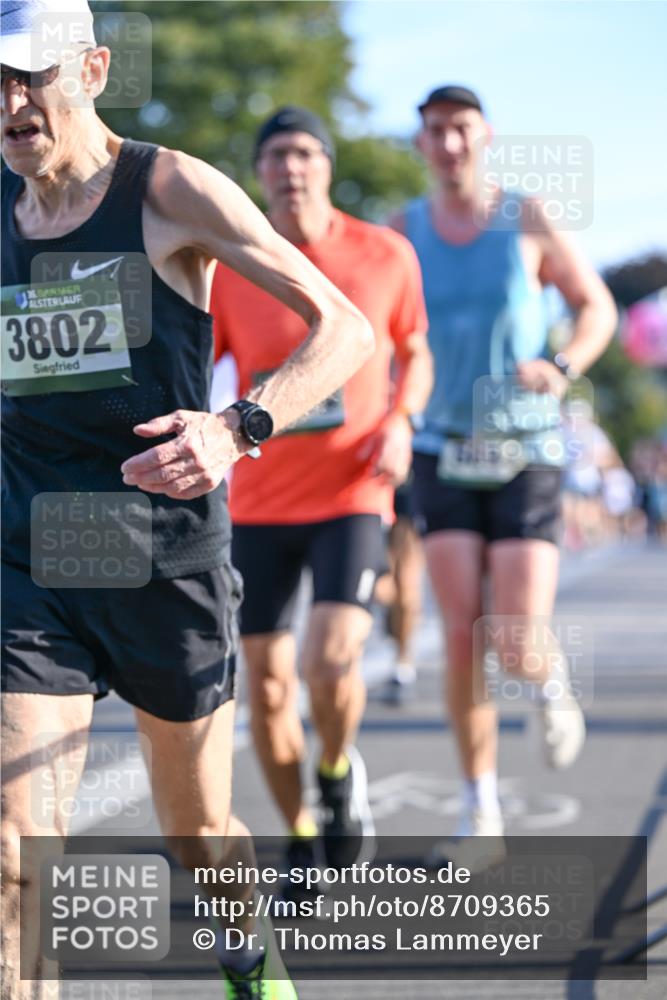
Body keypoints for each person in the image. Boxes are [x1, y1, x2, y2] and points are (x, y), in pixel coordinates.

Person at [0, 4, 375, 997]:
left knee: (200, 836)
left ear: (92, 68)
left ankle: (248, 960)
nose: (10, 101)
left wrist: (235, 426)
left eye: (29, 74)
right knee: (12, 843)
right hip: (35, 560)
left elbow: (342, 329)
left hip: (164, 559)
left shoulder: (166, 188)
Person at [210, 106, 432, 892]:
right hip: (260, 503)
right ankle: (301, 835)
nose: (290, 167)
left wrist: (403, 421)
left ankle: (336, 771)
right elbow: (200, 371)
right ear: (260, 172)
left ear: (327, 165)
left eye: (305, 152)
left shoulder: (385, 254)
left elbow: (414, 354)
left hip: (353, 491)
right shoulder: (232, 265)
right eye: (275, 155)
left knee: (329, 660)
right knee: (265, 689)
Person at [393, 85, 617, 837]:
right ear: (420, 143)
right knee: (461, 634)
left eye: (460, 128)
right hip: (441, 447)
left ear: (483, 135)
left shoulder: (526, 216)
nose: (448, 143)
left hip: (524, 445)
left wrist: (563, 362)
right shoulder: (404, 230)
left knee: (514, 637)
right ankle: (478, 805)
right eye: (434, 131)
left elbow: (596, 307)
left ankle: (547, 680)